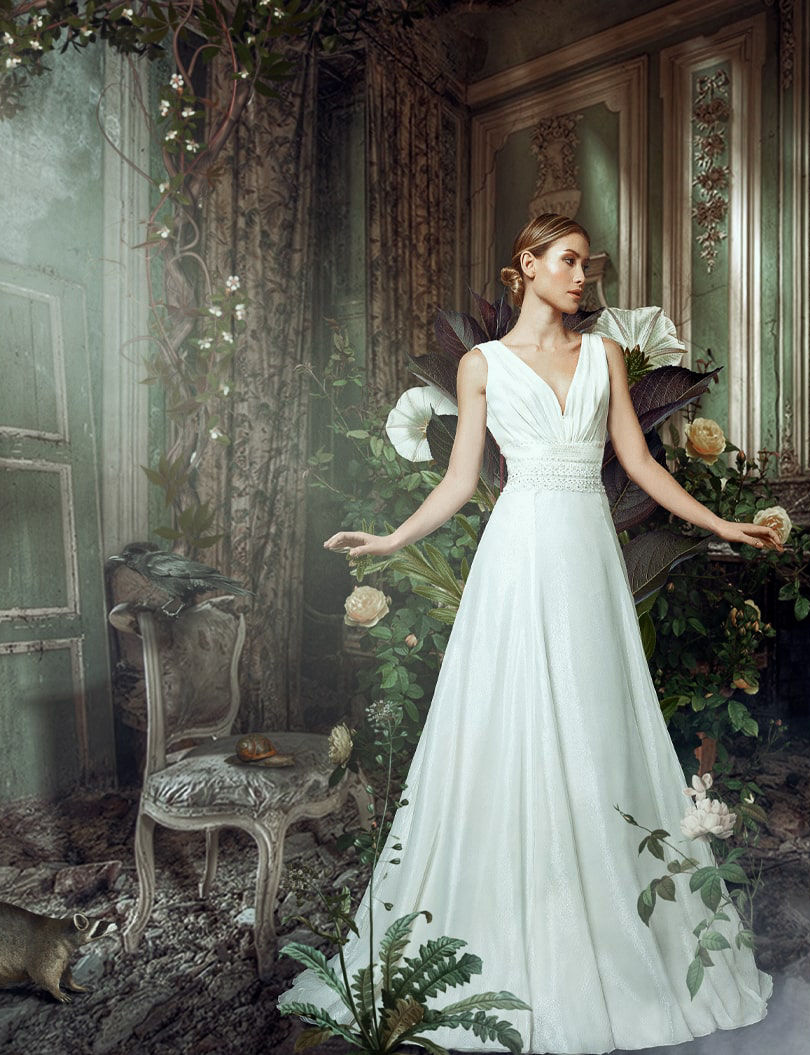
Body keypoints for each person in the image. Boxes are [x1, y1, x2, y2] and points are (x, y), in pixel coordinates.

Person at [278, 213, 779, 1052]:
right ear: (528, 266)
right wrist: (392, 538)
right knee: (508, 727)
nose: (583, 277)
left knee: (594, 724)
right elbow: (459, 478)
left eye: (586, 264)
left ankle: (607, 921)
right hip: (516, 560)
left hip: (586, 557)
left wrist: (723, 526)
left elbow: (644, 466)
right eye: (569, 261)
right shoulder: (481, 366)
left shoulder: (606, 358)